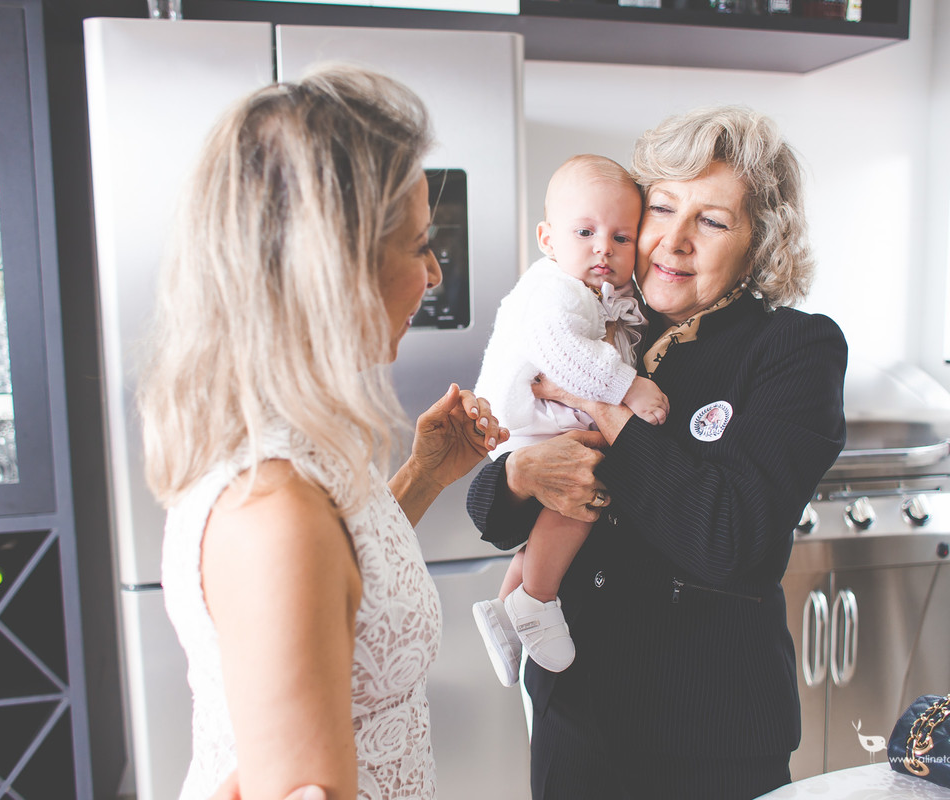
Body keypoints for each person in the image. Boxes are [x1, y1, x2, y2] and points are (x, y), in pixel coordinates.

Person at [138, 64, 509, 800]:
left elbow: (344, 596)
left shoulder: (294, 438)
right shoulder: (273, 510)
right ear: (331, 270)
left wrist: (423, 474)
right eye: (417, 245)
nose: (434, 275)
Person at [466, 105, 848, 800]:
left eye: (711, 221)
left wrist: (609, 411)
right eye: (662, 209)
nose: (672, 242)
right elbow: (491, 514)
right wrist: (521, 472)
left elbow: (729, 537)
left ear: (757, 243)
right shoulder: (604, 327)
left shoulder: (793, 350)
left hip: (706, 742)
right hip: (577, 724)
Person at [470, 154, 668, 686]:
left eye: (622, 237)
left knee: (563, 505)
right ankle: (537, 598)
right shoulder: (554, 289)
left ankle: (507, 608)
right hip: (530, 421)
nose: (603, 247)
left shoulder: (602, 294)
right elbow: (566, 356)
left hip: (537, 420)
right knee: (585, 488)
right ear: (548, 237)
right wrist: (630, 386)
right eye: (585, 231)